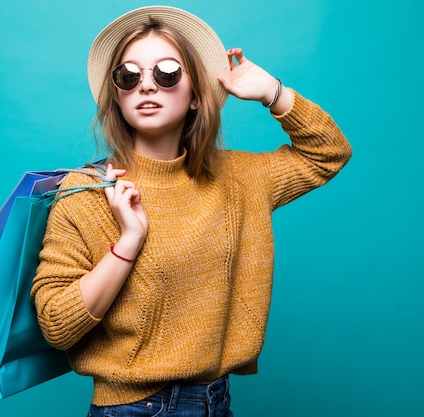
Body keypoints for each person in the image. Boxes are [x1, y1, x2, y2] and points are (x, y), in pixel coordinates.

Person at [31, 6, 351, 417]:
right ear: (117, 94)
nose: (146, 86)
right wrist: (129, 242)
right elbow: (57, 324)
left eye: (166, 73)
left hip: (216, 401)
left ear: (197, 95)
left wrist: (273, 92)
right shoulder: (88, 192)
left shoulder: (240, 180)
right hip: (133, 408)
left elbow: (328, 154)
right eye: (128, 76)